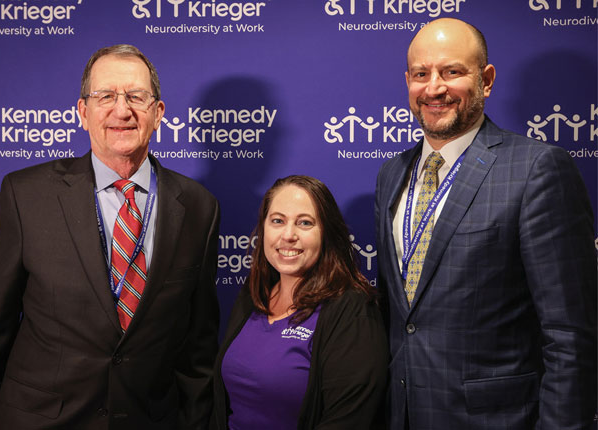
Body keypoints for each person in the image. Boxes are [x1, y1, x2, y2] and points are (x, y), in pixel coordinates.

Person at [0, 44, 220, 429]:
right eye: (105, 96)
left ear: (158, 113)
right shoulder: (26, 194)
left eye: (136, 96)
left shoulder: (199, 207)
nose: (122, 110)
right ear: (82, 112)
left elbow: (198, 351)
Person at [375, 18, 597, 429]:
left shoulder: (536, 169)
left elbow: (570, 337)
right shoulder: (392, 174)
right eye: (421, 74)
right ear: (407, 81)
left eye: (452, 71)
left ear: (486, 79)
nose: (434, 87)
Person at [211, 175, 388, 429]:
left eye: (305, 223)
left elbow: (348, 419)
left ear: (326, 233)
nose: (288, 235)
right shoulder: (253, 296)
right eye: (277, 221)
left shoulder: (352, 310)